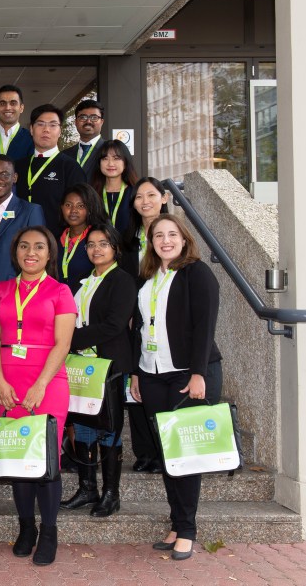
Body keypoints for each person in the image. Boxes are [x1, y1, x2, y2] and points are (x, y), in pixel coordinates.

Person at [131, 215, 223, 562]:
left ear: (184, 240)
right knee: (167, 452)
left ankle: (187, 530)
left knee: (185, 453)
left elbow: (205, 326)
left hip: (188, 374)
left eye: (172, 234)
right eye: (158, 235)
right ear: (151, 242)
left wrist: (198, 373)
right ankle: (176, 522)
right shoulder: (148, 277)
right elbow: (141, 328)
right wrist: (137, 372)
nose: (165, 241)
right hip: (152, 373)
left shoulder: (197, 273)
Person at [0, 225, 77, 566]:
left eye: (39, 246)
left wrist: (40, 385)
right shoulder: (2, 289)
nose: (31, 252)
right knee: (17, 455)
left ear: (50, 253)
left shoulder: (60, 291)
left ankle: (49, 531)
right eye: (24, 246)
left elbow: (63, 344)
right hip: (8, 381)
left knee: (46, 458)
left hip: (47, 382)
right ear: (16, 252)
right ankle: (26, 528)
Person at [61, 223, 137, 518]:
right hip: (82, 368)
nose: (96, 249)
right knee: (82, 426)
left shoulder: (122, 280)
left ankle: (110, 493)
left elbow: (114, 325)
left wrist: (70, 340)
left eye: (103, 243)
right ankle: (87, 488)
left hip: (109, 367)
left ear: (115, 248)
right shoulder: (84, 281)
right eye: (91, 244)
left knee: (108, 428)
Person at [120, 177, 170, 474]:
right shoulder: (128, 238)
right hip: (136, 315)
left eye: (151, 195)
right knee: (136, 381)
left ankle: (164, 450)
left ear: (164, 198)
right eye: (139, 197)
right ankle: (144, 452)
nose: (145, 201)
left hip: (164, 318)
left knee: (160, 384)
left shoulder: (172, 234)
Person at [0, 154, 46, 288]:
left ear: (15, 178)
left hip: (16, 288)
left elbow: (38, 254)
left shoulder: (30, 211)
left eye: (4, 175)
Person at [22, 104, 87, 235]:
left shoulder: (70, 167)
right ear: (31, 129)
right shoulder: (19, 166)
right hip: (21, 239)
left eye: (52, 125)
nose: (46, 129)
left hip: (57, 240)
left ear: (60, 131)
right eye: (40, 124)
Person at [57, 184, 109, 294]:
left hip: (87, 300)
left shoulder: (98, 241)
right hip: (58, 301)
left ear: (90, 209)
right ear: (62, 208)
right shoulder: (54, 241)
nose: (73, 210)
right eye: (68, 205)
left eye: (80, 206)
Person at [88, 139, 139, 235]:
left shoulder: (135, 193)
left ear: (125, 162)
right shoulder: (92, 194)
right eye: (105, 158)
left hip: (129, 244)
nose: (110, 164)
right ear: (99, 163)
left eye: (116, 158)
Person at [0, 85, 34, 160]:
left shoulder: (31, 139)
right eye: (3, 103)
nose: (7, 108)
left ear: (21, 108)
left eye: (13, 103)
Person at [61, 100, 106, 170]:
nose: (88, 121)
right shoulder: (64, 155)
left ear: (101, 122)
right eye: (83, 117)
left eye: (94, 117)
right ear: (76, 122)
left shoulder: (111, 151)